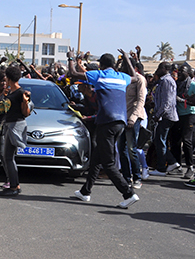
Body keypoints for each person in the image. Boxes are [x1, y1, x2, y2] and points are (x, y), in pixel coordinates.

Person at [68, 49, 140, 209]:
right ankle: (85, 191)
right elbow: (134, 77)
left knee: (108, 163)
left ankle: (128, 194)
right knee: (97, 159)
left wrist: (71, 58)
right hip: (120, 122)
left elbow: (72, 73)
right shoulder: (123, 77)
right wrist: (127, 59)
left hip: (106, 121)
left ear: (101, 65)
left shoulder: (99, 75)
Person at [0, 66, 32, 196]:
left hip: (15, 126)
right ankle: (14, 185)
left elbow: (26, 113)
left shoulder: (20, 93)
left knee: (8, 157)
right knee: (8, 157)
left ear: (9, 78)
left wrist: (25, 102)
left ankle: (14, 187)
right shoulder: (11, 92)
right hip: (9, 124)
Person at [118, 62, 147, 189]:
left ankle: (137, 177)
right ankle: (126, 177)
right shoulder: (123, 79)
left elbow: (141, 100)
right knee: (121, 148)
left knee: (131, 148)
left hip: (133, 118)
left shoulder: (139, 79)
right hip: (122, 116)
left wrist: (133, 118)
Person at [149, 62, 180, 176]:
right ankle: (170, 162)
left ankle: (163, 167)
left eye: (160, 67)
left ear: (165, 69)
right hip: (164, 115)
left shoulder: (167, 81)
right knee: (159, 140)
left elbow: (167, 102)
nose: (157, 69)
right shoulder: (162, 81)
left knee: (160, 140)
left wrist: (158, 115)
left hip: (166, 116)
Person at [171, 64, 195, 179]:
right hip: (177, 114)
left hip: (189, 114)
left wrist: (182, 100)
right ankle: (177, 166)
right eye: (179, 71)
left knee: (187, 140)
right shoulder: (176, 84)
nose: (179, 73)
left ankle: (190, 167)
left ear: (188, 73)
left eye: (182, 71)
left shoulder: (193, 85)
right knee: (175, 141)